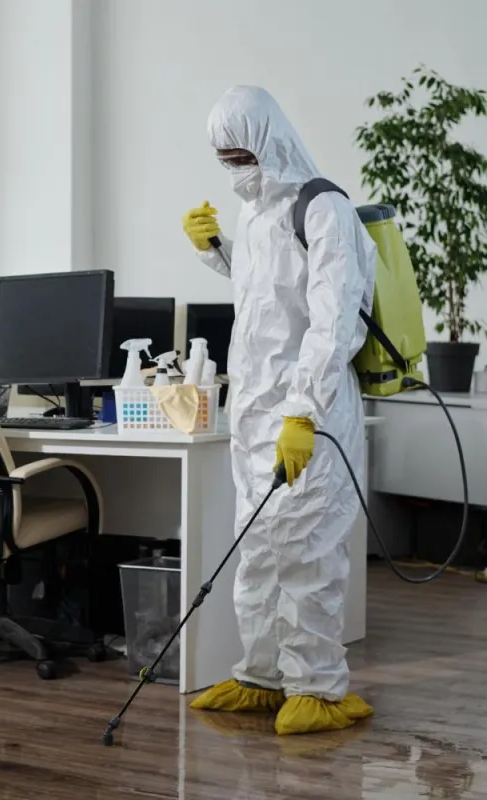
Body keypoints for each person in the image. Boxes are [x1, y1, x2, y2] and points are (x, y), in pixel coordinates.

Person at [180, 86, 377, 735]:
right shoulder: (257, 216)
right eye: (226, 160)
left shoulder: (324, 208)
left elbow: (333, 319)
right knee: (260, 549)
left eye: (243, 156)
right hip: (255, 413)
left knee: (307, 551)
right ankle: (262, 675)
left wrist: (304, 412)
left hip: (309, 414)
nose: (236, 170)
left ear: (271, 142)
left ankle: (317, 686)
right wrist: (215, 248)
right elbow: (266, 294)